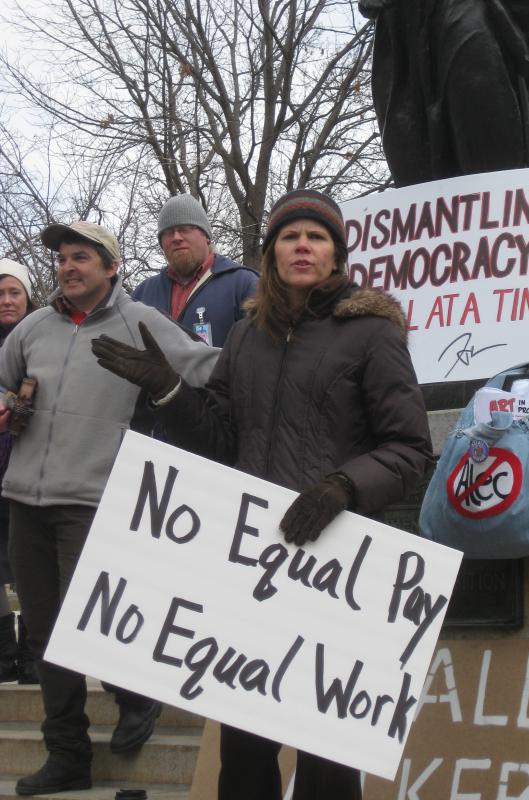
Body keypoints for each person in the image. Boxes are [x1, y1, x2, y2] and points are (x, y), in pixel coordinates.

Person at [91, 189, 434, 800]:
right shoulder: (246, 338)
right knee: (244, 753)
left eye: (317, 237)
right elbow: (221, 440)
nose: (302, 245)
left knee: (326, 759)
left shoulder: (372, 333)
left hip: (333, 570)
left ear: (335, 255)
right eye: (289, 236)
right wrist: (171, 391)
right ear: (272, 253)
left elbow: (410, 449)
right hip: (252, 570)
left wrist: (341, 487)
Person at [0, 220, 219, 796]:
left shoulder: (140, 321)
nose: (68, 267)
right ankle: (68, 753)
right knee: (45, 632)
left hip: (94, 499)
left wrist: (273, 343)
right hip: (24, 498)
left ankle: (135, 697)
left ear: (111, 267)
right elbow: (2, 384)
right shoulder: (32, 329)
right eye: (62, 259)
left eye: (81, 258)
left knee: (96, 624)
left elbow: (203, 366)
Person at [358, 0, 529, 377]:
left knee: (503, 200)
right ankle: (443, 352)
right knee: (428, 208)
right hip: (409, 38)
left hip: (480, 22)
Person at [132, 194, 259, 346]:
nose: (176, 237)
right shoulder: (143, 294)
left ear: (206, 236)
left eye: (185, 229)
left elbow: (260, 358)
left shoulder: (243, 284)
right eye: (168, 232)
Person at [0, 258, 38, 685]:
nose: (7, 301)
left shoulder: (39, 338)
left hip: (28, 465)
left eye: (14, 292)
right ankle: (2, 653)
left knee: (29, 565)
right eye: (0, 293)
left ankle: (32, 653)